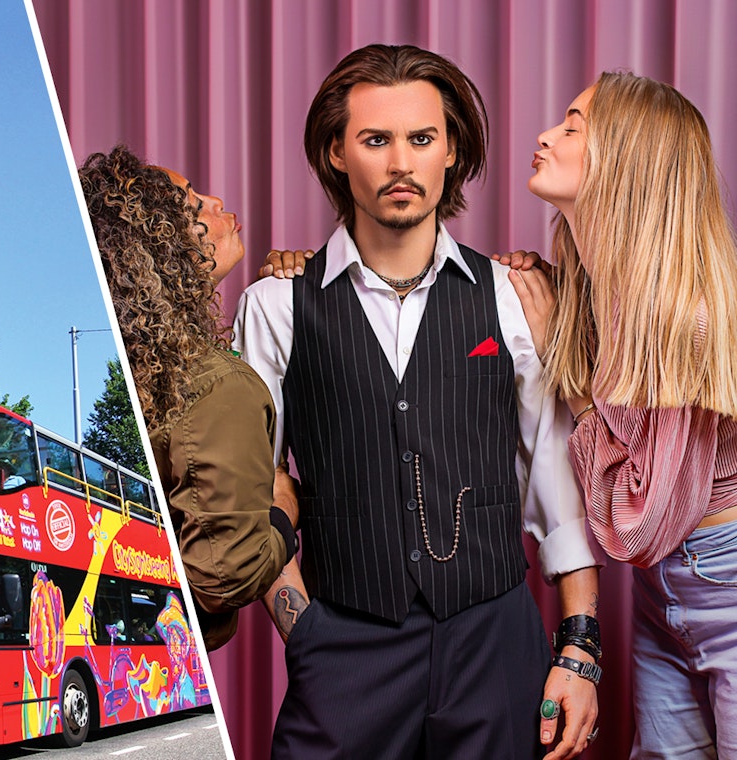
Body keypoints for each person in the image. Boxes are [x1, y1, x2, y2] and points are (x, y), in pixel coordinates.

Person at [234, 44, 604, 759]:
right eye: (376, 140)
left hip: (495, 645)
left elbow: (555, 479)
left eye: (421, 139)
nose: (401, 162)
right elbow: (254, 488)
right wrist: (303, 630)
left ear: (450, 150)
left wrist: (579, 646)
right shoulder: (276, 305)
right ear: (338, 153)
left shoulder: (511, 294)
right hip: (344, 650)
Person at [511, 71, 737, 759]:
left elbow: (636, 526)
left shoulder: (688, 320)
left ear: (629, 161)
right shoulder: (593, 293)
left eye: (575, 126)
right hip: (661, 596)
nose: (547, 134)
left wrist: (569, 381)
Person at [79, 145, 300, 650]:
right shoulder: (216, 386)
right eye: (194, 203)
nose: (218, 202)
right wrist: (285, 505)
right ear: (164, 246)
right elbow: (225, 578)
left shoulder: (150, 365)